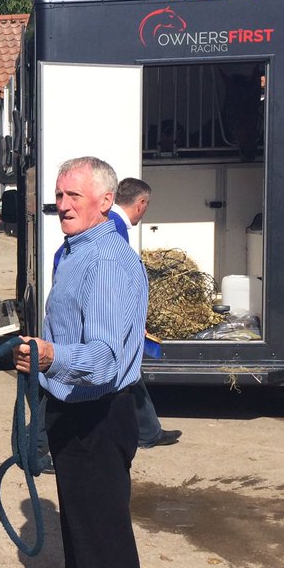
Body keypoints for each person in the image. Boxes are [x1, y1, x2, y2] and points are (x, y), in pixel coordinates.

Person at [13, 157, 148, 568]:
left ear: (104, 202)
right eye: (59, 194)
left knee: (105, 544)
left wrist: (50, 357)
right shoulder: (73, 251)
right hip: (69, 408)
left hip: (100, 413)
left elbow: (107, 359)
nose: (62, 204)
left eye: (73, 195)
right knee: (77, 536)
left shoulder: (112, 262)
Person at [111, 178, 181, 449]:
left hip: (117, 318)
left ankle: (149, 432)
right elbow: (115, 280)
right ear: (141, 204)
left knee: (131, 375)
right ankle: (36, 445)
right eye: (146, 206)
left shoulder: (113, 224)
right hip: (115, 319)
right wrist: (129, 320)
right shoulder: (116, 229)